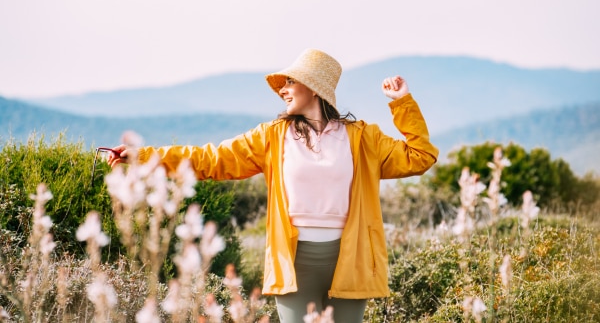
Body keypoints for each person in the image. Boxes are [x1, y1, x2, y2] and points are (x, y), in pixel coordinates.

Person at [108, 48, 438, 323]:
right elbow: (212, 159)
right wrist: (147, 157)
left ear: (314, 87)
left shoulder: (362, 138)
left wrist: (402, 103)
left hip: (351, 259)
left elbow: (420, 156)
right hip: (292, 262)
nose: (282, 89)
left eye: (290, 82)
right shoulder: (271, 136)